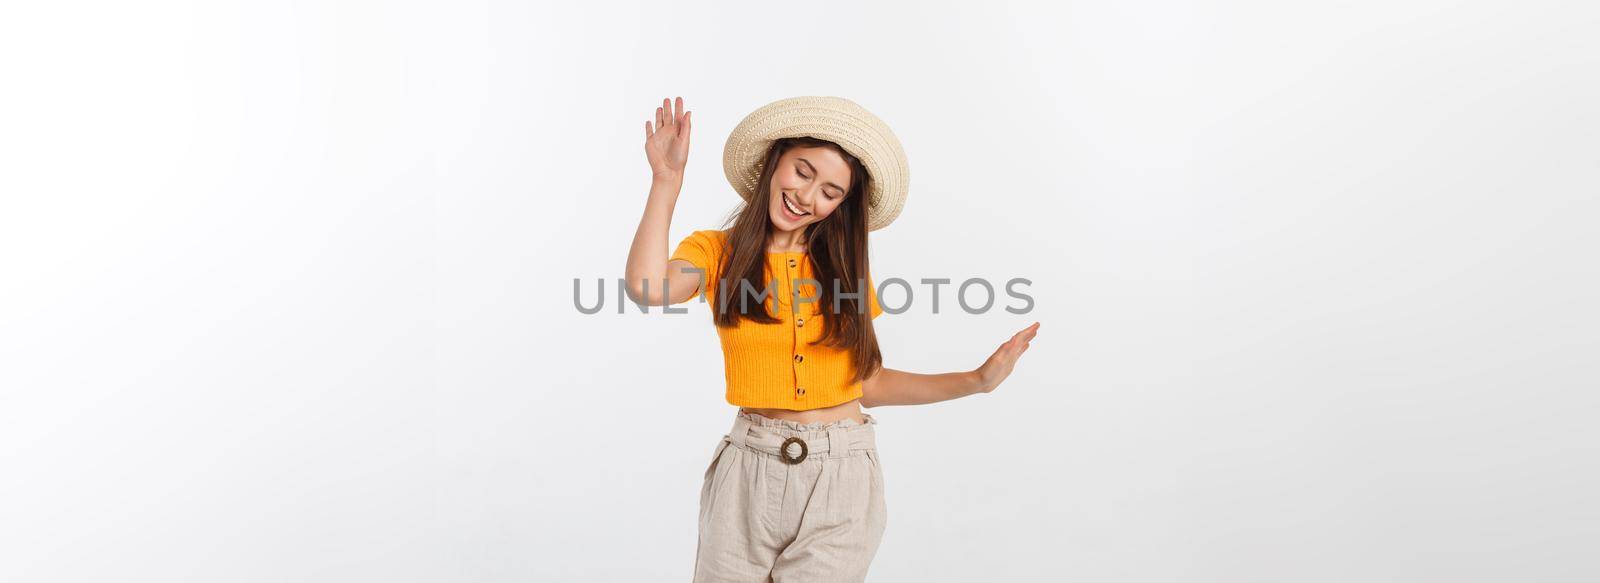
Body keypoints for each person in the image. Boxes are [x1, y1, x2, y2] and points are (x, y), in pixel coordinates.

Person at [624, 95, 1040, 582]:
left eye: (830, 191)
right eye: (802, 171)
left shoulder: (845, 271)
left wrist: (976, 380)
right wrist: (666, 183)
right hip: (747, 475)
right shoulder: (716, 253)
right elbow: (647, 287)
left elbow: (868, 383)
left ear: (841, 204)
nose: (807, 196)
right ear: (774, 161)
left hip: (841, 477)